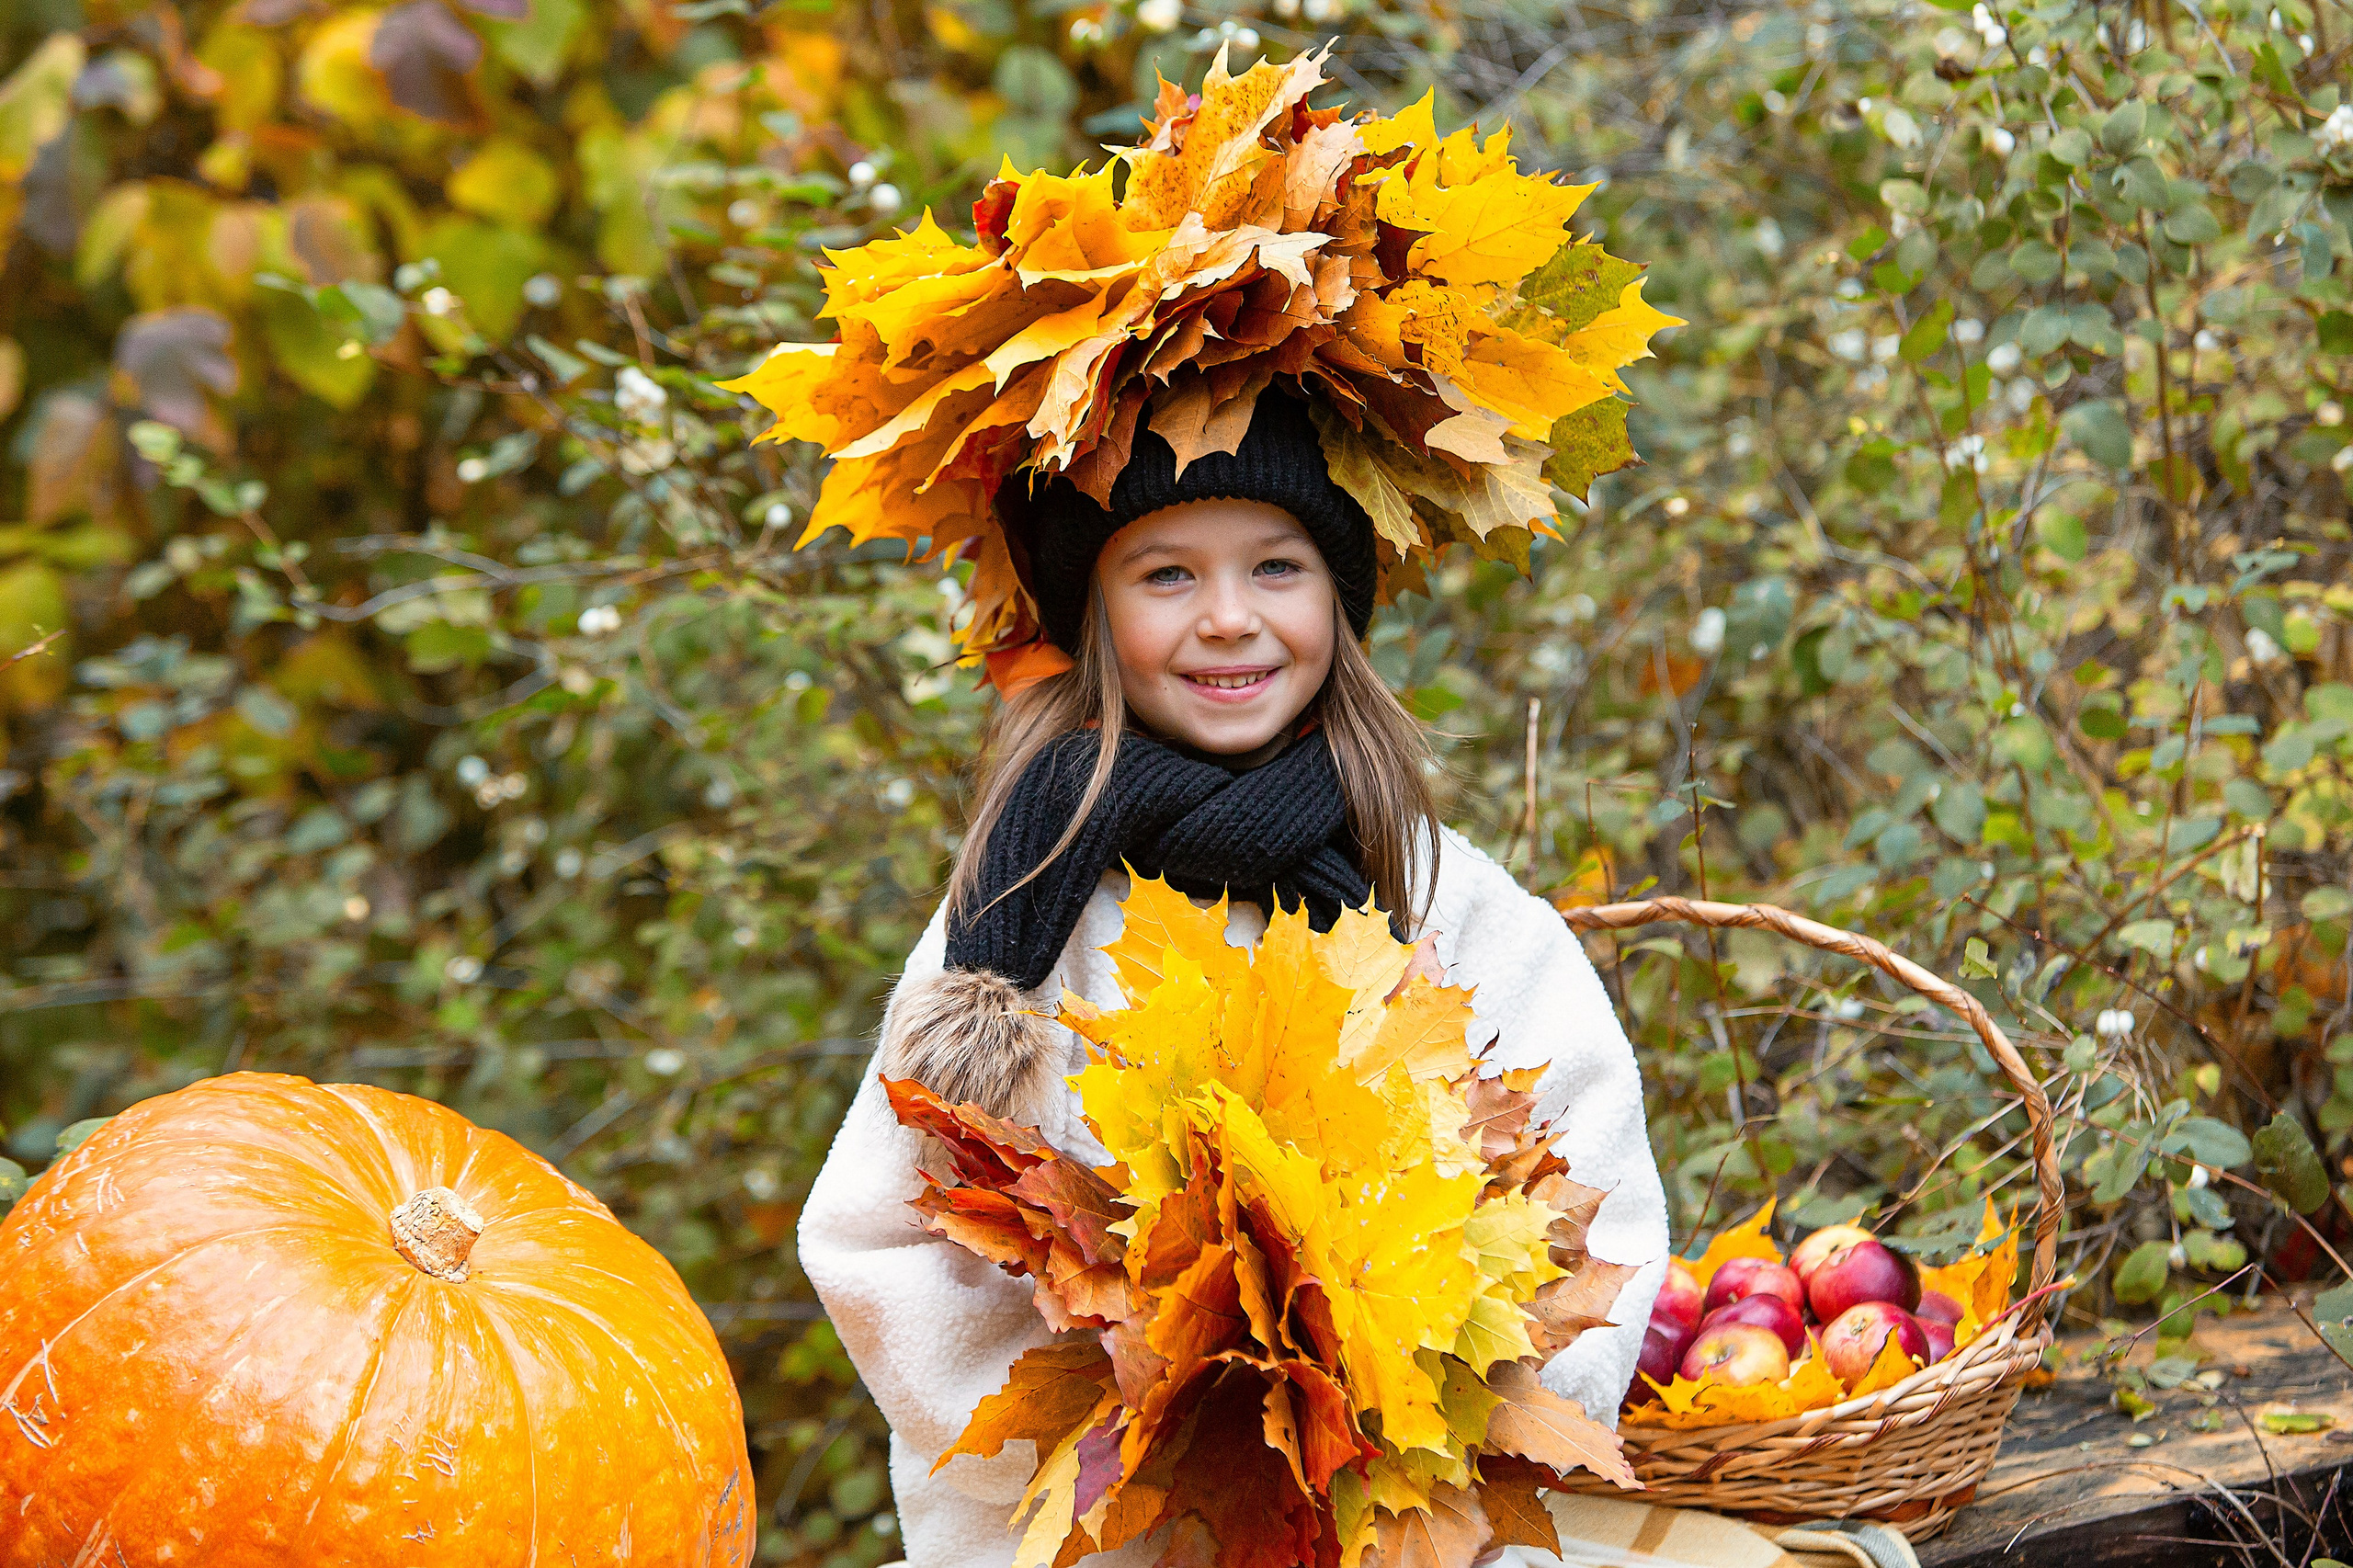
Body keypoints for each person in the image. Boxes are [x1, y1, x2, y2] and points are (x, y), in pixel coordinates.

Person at [722, 53, 1686, 1564]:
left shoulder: (1444, 907)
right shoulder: (1021, 927)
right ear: (1095, 614)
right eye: (1168, 574)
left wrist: (1432, 1414)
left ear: (1341, 599)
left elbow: (1596, 1193)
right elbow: (881, 1241)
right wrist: (1126, 1424)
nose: (1229, 620)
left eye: (1277, 567)